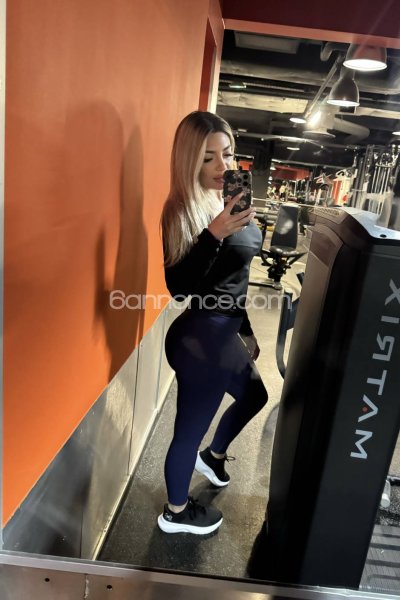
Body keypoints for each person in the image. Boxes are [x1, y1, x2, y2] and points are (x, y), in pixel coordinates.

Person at [158, 111, 269, 535]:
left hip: (225, 331)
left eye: (228, 154)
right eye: (208, 158)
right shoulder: (181, 210)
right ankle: (175, 512)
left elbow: (234, 279)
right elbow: (179, 288)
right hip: (201, 338)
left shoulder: (228, 203)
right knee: (189, 429)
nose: (222, 166)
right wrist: (214, 234)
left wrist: (246, 329)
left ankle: (214, 456)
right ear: (190, 161)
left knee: (255, 395)